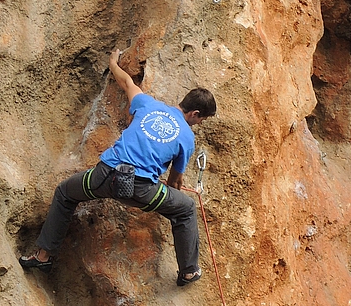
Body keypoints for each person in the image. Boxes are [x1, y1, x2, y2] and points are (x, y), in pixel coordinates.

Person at [20, 48, 217, 286]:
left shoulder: (147, 104)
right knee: (185, 208)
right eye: (201, 120)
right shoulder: (186, 136)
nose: (199, 124)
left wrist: (113, 61)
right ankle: (188, 272)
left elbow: (125, 81)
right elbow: (175, 181)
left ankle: (43, 256)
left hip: (104, 176)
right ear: (195, 114)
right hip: (140, 189)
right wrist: (173, 187)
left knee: (64, 193)